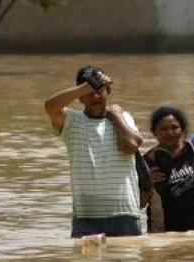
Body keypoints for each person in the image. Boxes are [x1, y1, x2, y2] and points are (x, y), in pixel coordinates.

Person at [44, 65, 148, 238]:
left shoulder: (123, 118)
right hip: (86, 218)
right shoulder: (72, 121)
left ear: (108, 90)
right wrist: (86, 86)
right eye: (88, 92)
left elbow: (131, 146)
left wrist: (115, 116)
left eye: (100, 90)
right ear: (79, 97)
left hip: (124, 215)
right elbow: (50, 106)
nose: (95, 96)